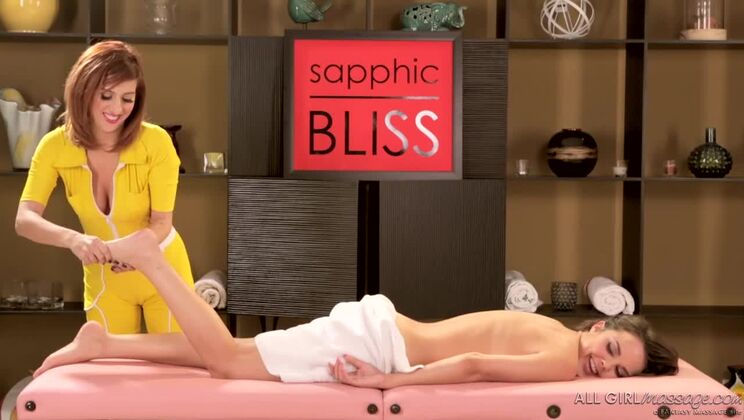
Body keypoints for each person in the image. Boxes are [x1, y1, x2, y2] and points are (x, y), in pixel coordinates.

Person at [34, 230, 679, 388]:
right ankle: (151, 259)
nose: (605, 367)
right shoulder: (561, 358)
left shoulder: (550, 325)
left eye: (619, 372)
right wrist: (386, 384)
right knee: (229, 360)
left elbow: (478, 353)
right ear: (600, 326)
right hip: (379, 346)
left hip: (383, 328)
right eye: (612, 350)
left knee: (244, 355)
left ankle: (105, 343)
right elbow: (475, 364)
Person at [14, 40, 194, 334]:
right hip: (105, 281)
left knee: (175, 360)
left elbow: (162, 222)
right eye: (106, 95)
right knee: (109, 361)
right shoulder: (53, 146)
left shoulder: (156, 142)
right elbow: (24, 220)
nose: (117, 108)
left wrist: (135, 251)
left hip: (163, 271)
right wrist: (75, 240)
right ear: (83, 91)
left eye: (128, 98)